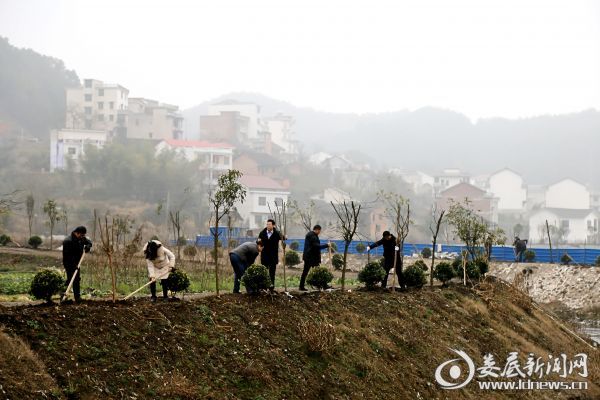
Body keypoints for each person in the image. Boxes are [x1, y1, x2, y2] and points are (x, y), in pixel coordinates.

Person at [62, 226, 92, 302]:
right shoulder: (68, 241)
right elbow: (67, 256)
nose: (82, 237)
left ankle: (77, 298)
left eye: (83, 235)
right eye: (81, 235)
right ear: (76, 233)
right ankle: (63, 296)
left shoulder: (81, 238)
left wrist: (88, 246)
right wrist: (73, 265)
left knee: (76, 280)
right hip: (69, 263)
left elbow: (89, 242)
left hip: (77, 263)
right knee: (70, 280)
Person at [300, 225, 331, 291]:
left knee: (314, 271)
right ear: (317, 230)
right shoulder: (312, 236)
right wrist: (327, 245)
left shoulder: (312, 235)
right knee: (307, 272)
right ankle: (302, 286)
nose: (320, 232)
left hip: (311, 257)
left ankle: (323, 285)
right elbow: (316, 246)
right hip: (310, 258)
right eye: (319, 231)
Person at [258, 219, 285, 292]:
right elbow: (259, 241)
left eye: (269, 224)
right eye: (267, 224)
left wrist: (284, 237)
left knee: (272, 273)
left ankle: (271, 287)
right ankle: (263, 287)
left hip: (273, 256)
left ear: (273, 225)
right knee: (264, 272)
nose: (268, 226)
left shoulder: (277, 233)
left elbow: (283, 238)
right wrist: (259, 246)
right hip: (265, 256)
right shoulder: (262, 233)